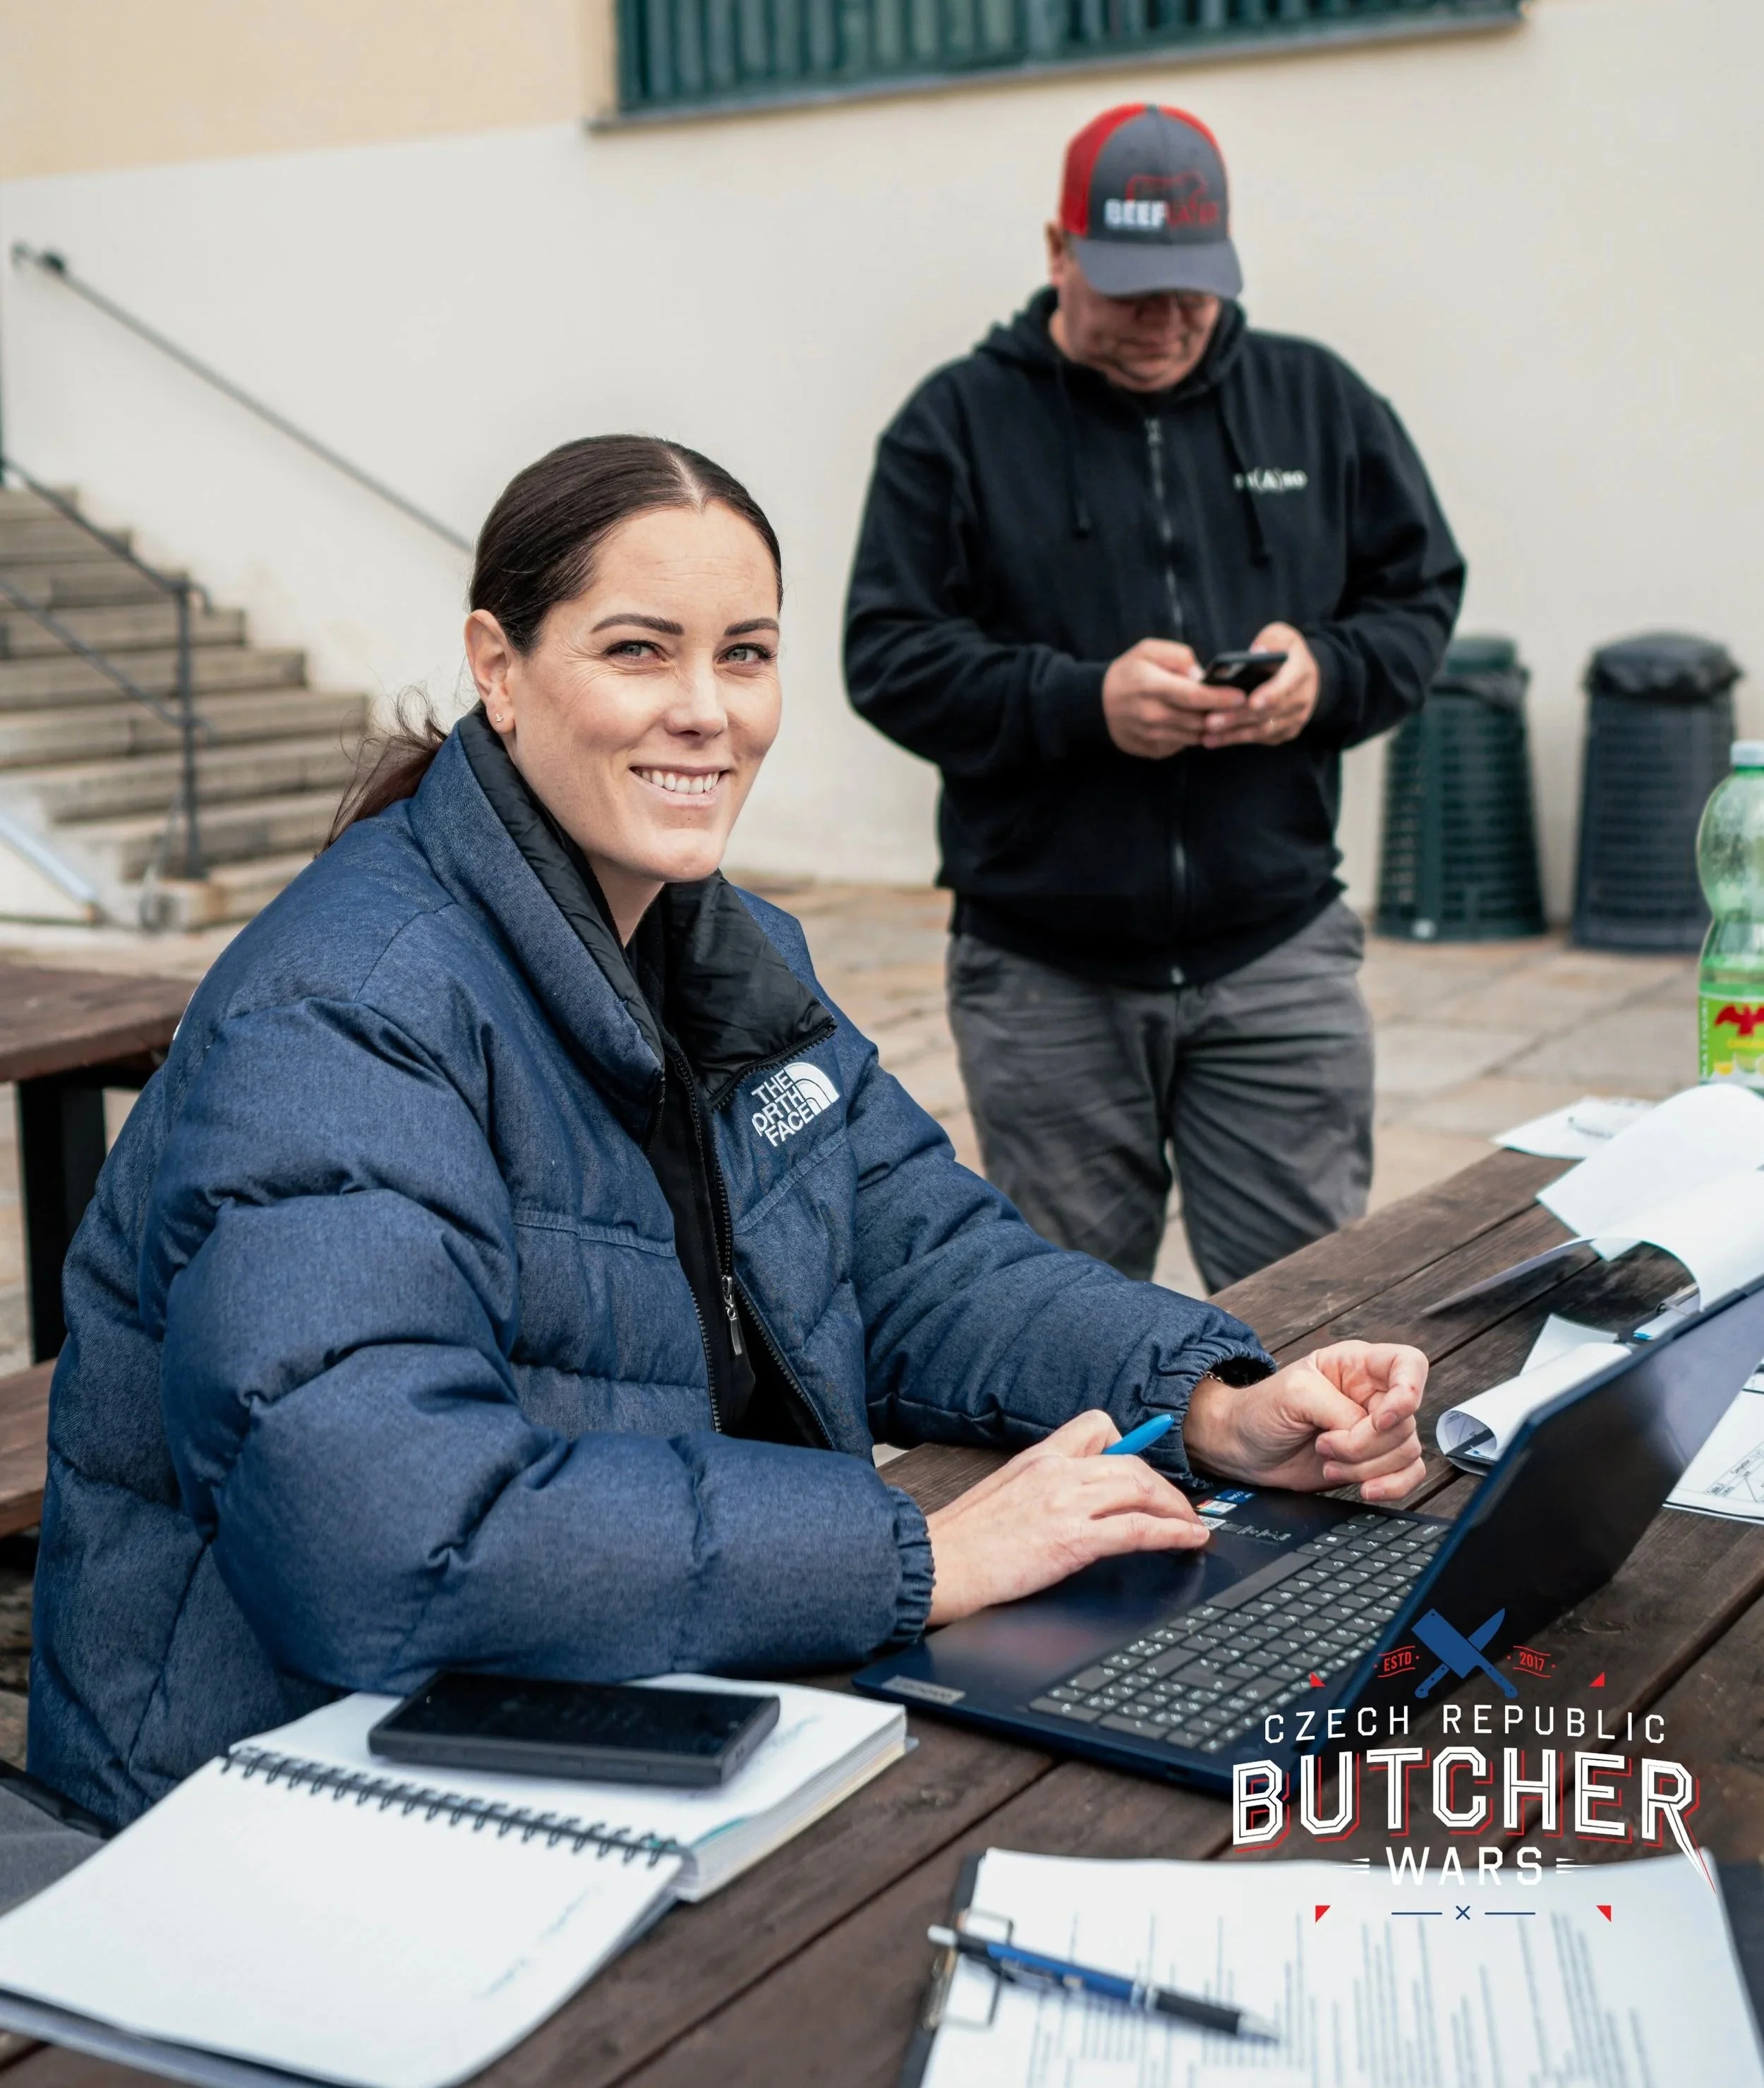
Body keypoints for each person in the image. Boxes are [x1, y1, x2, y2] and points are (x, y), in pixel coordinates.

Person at [31, 436, 1427, 1830]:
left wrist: (1207, 1406)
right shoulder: (342, 1013)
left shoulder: (725, 949)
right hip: (284, 1797)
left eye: (744, 655)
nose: (705, 711)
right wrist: (911, 1558)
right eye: (639, 651)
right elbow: (381, 1530)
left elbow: (914, 1259)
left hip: (633, 1700)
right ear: (498, 665)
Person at [845, 102, 1466, 1291]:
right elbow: (888, 656)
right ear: (1058, 250)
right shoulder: (954, 427)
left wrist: (1325, 677)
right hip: (1046, 980)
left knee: (1308, 1327)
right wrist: (1087, 706)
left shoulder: (1318, 400)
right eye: (1134, 292)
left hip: (1277, 957)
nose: (1169, 322)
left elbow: (1420, 593)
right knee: (1074, 1344)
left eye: (1195, 291)